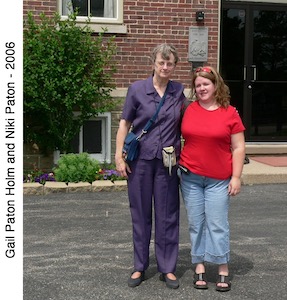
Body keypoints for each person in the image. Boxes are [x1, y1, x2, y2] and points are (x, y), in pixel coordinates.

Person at [115, 44, 186, 289]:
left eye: (170, 64)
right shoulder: (137, 89)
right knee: (140, 214)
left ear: (175, 66)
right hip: (140, 162)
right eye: (161, 63)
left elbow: (191, 118)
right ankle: (139, 266)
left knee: (167, 216)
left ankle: (168, 268)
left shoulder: (179, 91)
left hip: (167, 164)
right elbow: (125, 124)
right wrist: (118, 156)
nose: (165, 67)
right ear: (153, 63)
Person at [179, 66, 245, 292]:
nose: (201, 88)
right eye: (197, 85)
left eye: (205, 84)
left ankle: (222, 268)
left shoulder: (230, 113)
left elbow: (238, 147)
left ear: (216, 85)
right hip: (190, 177)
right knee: (196, 224)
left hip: (219, 179)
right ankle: (199, 265)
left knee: (217, 225)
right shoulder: (189, 110)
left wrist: (236, 177)